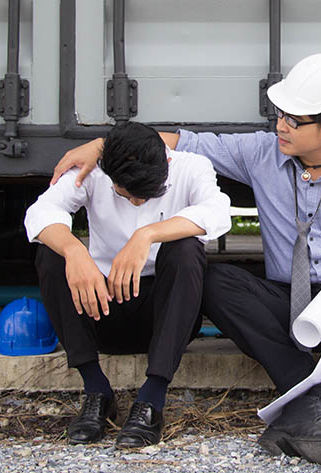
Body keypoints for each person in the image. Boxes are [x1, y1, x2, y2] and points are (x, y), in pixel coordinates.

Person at [51, 53, 321, 465]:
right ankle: (306, 396)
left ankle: (312, 409)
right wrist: (106, 147)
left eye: (294, 120)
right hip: (282, 302)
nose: (281, 126)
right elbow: (183, 142)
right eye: (280, 115)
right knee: (216, 282)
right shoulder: (261, 152)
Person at [25, 122, 230, 447]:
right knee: (51, 252)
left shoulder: (191, 166)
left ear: (167, 164)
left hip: (163, 318)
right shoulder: (94, 171)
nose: (135, 204)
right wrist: (75, 250)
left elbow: (218, 213)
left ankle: (152, 399)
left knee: (187, 248)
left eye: (144, 196)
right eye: (125, 195)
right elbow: (40, 211)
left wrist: (146, 235)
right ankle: (96, 390)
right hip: (101, 308)